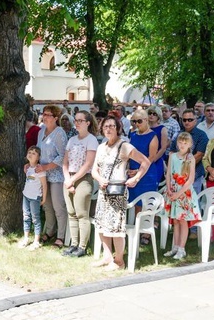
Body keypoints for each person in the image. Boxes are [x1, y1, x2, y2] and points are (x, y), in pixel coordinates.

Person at [91, 116, 151, 271]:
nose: (109, 129)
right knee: (102, 225)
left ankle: (119, 261)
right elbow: (94, 170)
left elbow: (146, 161)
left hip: (117, 192)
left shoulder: (125, 146)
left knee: (116, 228)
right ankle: (107, 256)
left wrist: (136, 178)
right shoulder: (101, 147)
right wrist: (99, 179)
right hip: (103, 192)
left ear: (118, 128)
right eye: (105, 126)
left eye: (112, 126)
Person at [61, 110, 99, 257]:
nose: (76, 123)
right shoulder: (72, 140)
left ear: (88, 123)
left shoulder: (91, 140)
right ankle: (73, 244)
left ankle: (82, 247)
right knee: (71, 213)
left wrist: (73, 180)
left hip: (83, 179)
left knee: (82, 213)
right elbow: (65, 162)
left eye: (80, 120)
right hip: (69, 178)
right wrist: (67, 179)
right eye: (75, 120)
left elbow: (88, 164)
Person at [35, 105, 69, 248]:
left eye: (48, 114)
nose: (45, 116)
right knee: (47, 206)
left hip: (56, 176)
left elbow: (63, 156)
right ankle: (50, 231)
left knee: (58, 206)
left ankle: (61, 235)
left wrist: (46, 167)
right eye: (44, 114)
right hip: (43, 175)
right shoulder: (41, 131)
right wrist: (31, 163)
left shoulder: (60, 133)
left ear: (55, 118)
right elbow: (37, 150)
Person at [164, 132, 201, 260]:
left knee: (183, 221)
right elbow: (168, 173)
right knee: (175, 220)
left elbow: (190, 180)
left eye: (185, 143)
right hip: (173, 191)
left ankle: (182, 248)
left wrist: (178, 194)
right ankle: (175, 246)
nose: (182, 145)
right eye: (180, 142)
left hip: (184, 193)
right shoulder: (172, 156)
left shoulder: (190, 158)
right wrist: (169, 189)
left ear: (190, 144)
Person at [127, 109, 160, 204]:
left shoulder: (153, 136)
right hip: (132, 172)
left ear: (146, 120)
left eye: (139, 121)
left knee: (145, 204)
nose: (137, 124)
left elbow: (151, 157)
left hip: (147, 174)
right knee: (133, 203)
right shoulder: (133, 135)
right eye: (134, 121)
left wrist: (139, 172)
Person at [19, 146, 48, 250]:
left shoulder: (39, 170)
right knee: (26, 217)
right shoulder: (27, 168)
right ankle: (26, 238)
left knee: (35, 219)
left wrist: (43, 199)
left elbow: (44, 185)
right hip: (26, 196)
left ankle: (36, 241)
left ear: (38, 157)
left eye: (34, 153)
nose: (31, 154)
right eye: (29, 152)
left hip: (35, 198)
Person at [177, 109, 208, 193]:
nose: (187, 122)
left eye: (190, 120)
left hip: (194, 173)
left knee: (193, 202)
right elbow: (172, 152)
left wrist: (182, 165)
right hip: (177, 173)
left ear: (195, 120)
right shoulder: (178, 134)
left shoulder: (202, 135)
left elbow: (199, 155)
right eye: (184, 120)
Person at [147, 105, 169, 182]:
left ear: (158, 117)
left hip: (157, 160)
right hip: (144, 159)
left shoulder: (162, 129)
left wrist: (153, 160)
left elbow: (163, 148)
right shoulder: (145, 128)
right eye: (150, 113)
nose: (151, 115)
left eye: (154, 114)